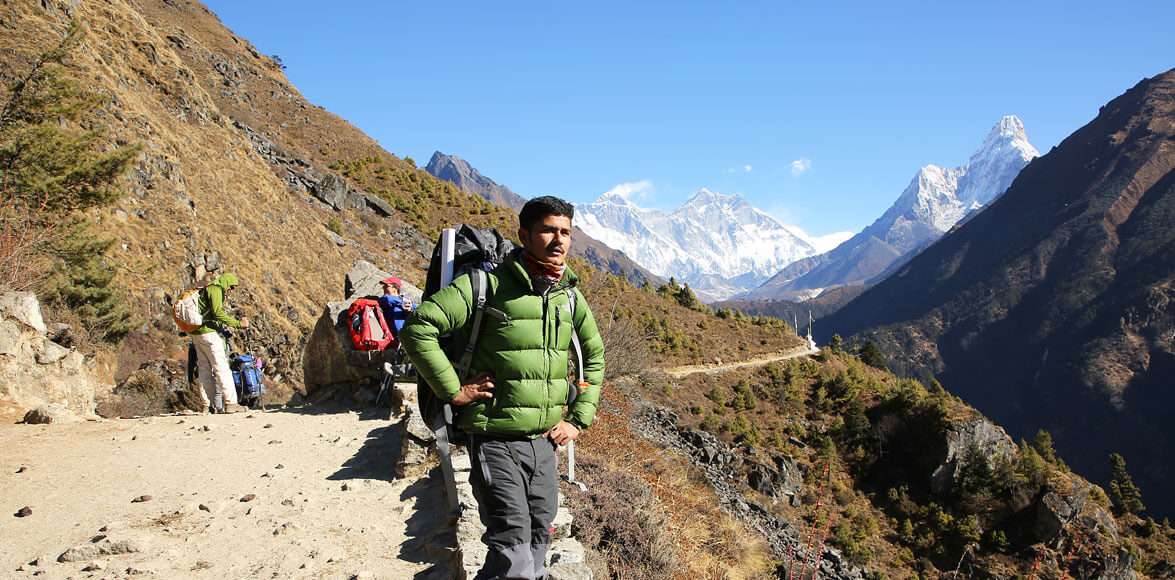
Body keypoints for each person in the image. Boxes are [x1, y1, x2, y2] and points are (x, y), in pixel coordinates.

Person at [402, 196, 605, 580]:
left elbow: (594, 356)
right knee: (512, 543)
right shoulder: (488, 286)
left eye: (565, 232)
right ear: (524, 235)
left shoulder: (568, 296)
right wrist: (454, 391)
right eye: (548, 230)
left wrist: (579, 419)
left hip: (545, 442)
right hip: (494, 439)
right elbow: (419, 328)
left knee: (538, 539)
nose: (558, 240)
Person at [191, 272, 249, 414]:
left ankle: (207, 405)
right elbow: (217, 313)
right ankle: (231, 403)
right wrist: (238, 324)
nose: (231, 290)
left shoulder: (206, 289)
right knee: (221, 368)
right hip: (209, 334)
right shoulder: (216, 289)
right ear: (226, 282)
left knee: (204, 369)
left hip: (196, 333)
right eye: (231, 286)